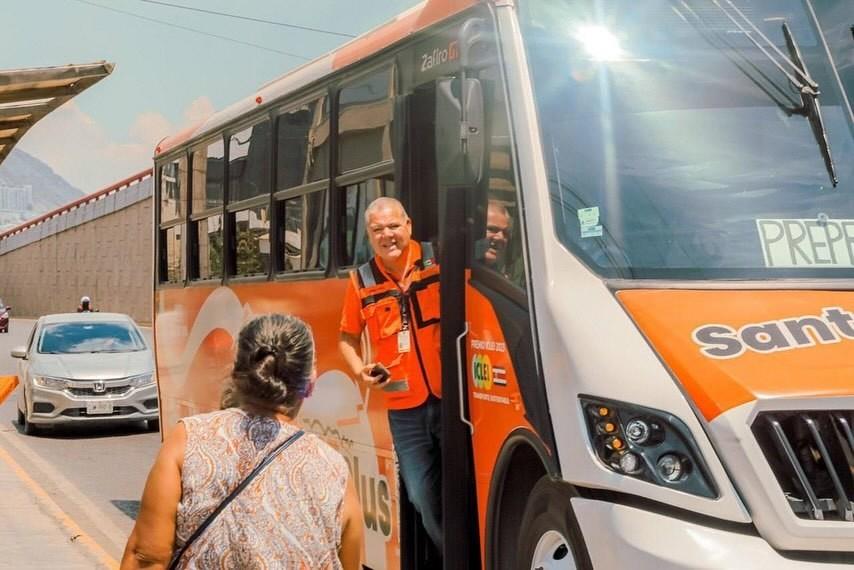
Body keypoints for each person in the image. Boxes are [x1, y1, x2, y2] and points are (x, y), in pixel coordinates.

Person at [122, 314, 363, 570]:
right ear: (310, 383)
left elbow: (146, 558)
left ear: (236, 373)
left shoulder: (189, 439)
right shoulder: (334, 470)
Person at [338, 197, 444, 552]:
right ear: (369, 235)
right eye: (378, 230)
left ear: (409, 225)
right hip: (405, 409)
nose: (388, 235)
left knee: (466, 485)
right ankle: (451, 556)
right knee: (419, 494)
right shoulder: (362, 280)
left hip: (452, 399)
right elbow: (346, 338)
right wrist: (359, 370)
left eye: (394, 226)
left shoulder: (438, 260)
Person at [481, 200, 512, 271]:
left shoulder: (501, 279)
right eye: (491, 229)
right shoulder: (454, 272)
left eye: (505, 233)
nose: (501, 237)